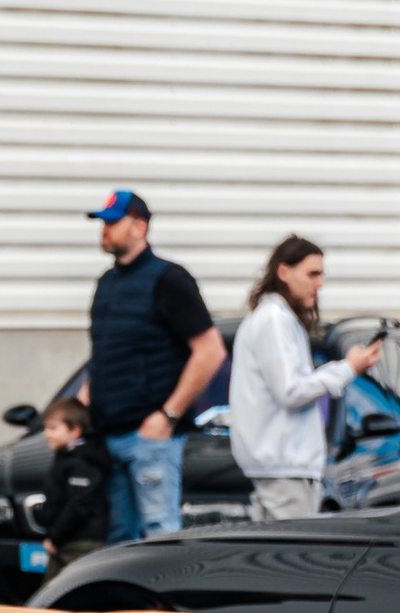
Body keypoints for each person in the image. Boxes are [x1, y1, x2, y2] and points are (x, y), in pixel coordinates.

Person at [83, 189, 225, 543]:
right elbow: (103, 354)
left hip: (149, 440)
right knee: (118, 543)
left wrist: (167, 415)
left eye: (113, 222)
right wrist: (82, 407)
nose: (105, 230)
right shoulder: (107, 283)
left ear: (140, 226)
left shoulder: (169, 279)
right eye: (103, 223)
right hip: (108, 436)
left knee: (159, 537)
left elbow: (210, 351)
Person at [229, 237, 383, 517]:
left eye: (321, 275)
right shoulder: (274, 319)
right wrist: (348, 367)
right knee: (293, 545)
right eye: (312, 274)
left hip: (283, 468)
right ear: (284, 272)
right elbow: (291, 391)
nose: (319, 284)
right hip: (285, 468)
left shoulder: (274, 317)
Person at [31, 388, 112, 572]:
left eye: (53, 428)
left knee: (68, 587)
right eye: (45, 428)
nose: (47, 434)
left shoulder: (84, 462)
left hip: (81, 543)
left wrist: (55, 538)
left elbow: (78, 505)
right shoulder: (64, 457)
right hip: (66, 541)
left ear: (75, 431)